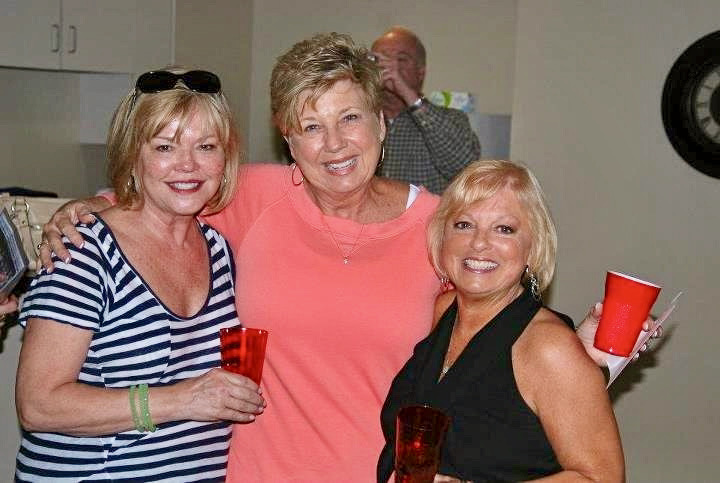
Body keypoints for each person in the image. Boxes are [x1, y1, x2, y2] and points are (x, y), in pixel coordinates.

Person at [39, 34, 651, 482]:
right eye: (310, 126)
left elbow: (483, 329)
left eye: (350, 118)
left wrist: (576, 358)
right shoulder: (253, 197)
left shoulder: (438, 225)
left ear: (381, 124)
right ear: (288, 139)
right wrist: (83, 208)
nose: (333, 144)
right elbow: (166, 187)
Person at [15, 68, 265, 481]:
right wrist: (182, 399)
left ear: (226, 159)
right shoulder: (84, 250)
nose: (188, 165)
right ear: (133, 156)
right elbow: (38, 405)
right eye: (165, 147)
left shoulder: (220, 250)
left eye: (206, 146)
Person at [378, 160, 625, 482]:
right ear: (442, 237)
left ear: (533, 247)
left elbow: (602, 478)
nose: (479, 243)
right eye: (464, 224)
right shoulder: (445, 309)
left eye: (504, 229)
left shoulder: (549, 348)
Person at [371, 26, 481, 194]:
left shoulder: (451, 120)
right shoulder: (358, 120)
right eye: (380, 60)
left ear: (421, 73)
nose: (389, 68)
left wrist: (408, 94)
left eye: (401, 59)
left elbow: (466, 168)